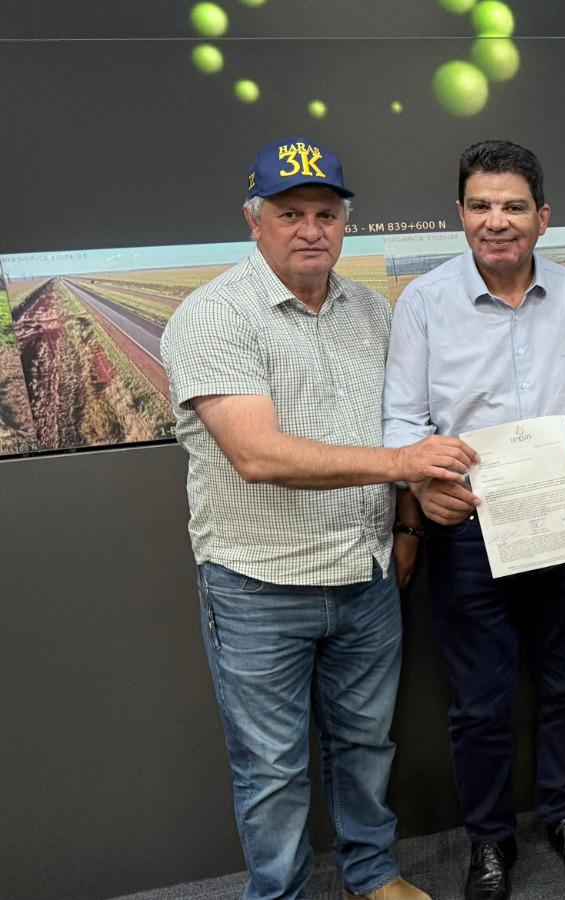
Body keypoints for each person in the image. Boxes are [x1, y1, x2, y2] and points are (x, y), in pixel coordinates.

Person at [161, 136, 475, 900]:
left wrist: (406, 525)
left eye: (326, 214)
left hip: (366, 576)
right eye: (290, 213)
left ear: (345, 222)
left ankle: (372, 873)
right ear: (254, 220)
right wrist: (404, 466)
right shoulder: (212, 316)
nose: (311, 230)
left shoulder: (369, 310)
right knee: (272, 769)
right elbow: (257, 454)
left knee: (366, 745)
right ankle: (281, 894)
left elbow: (401, 424)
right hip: (258, 583)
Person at [382, 140, 565, 898]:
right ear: (460, 214)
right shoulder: (424, 302)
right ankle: (489, 841)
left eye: (514, 207)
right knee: (479, 702)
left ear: (543, 217)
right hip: (468, 525)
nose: (497, 221)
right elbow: (402, 421)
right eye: (482, 206)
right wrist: (420, 491)